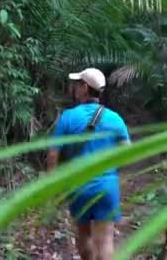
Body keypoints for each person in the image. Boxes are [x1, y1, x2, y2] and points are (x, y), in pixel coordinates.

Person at [47, 67, 131, 260]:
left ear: (85, 87)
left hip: (79, 187)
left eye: (77, 85)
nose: (75, 89)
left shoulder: (68, 117)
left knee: (84, 234)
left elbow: (53, 154)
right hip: (107, 186)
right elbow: (128, 151)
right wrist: (112, 171)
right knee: (106, 240)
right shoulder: (115, 118)